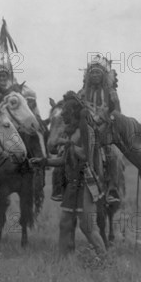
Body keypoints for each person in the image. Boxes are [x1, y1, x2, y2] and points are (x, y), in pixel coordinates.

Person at [31, 92, 106, 257]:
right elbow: (63, 160)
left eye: (66, 113)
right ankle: (62, 260)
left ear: (74, 113)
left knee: (87, 227)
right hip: (72, 184)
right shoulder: (69, 132)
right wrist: (43, 161)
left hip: (86, 182)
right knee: (65, 223)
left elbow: (85, 156)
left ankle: (104, 259)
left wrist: (68, 143)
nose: (63, 116)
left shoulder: (87, 130)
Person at [76, 55, 122, 206]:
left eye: (98, 73)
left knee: (114, 155)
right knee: (68, 150)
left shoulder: (111, 93)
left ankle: (113, 189)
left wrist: (106, 119)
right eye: (92, 73)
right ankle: (61, 187)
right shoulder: (81, 93)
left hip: (105, 131)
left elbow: (117, 114)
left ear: (103, 75)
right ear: (88, 75)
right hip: (85, 129)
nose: (95, 75)